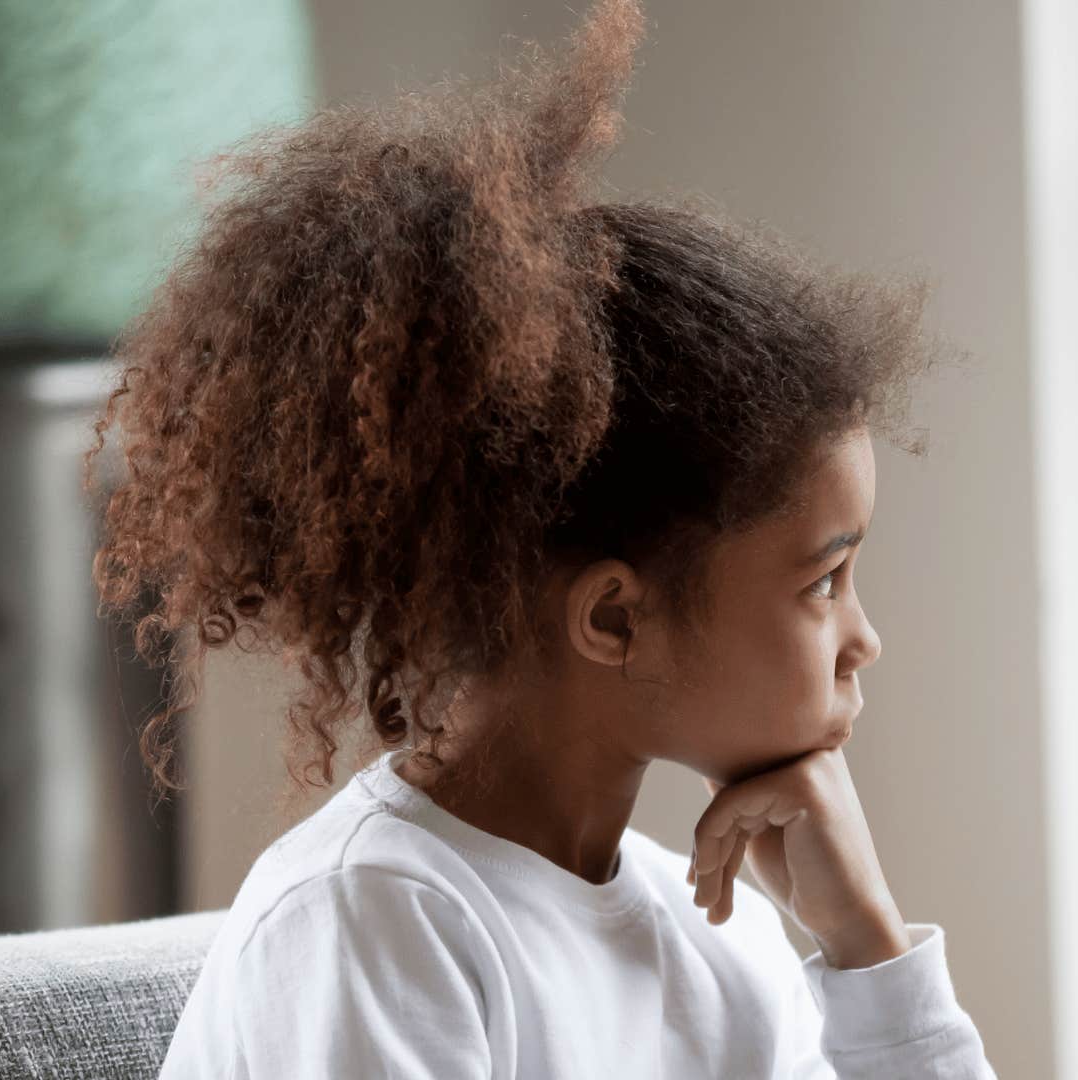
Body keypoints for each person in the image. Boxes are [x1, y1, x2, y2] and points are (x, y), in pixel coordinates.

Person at [86, 0, 996, 1075]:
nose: (862, 639)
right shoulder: (375, 923)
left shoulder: (726, 943)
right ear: (615, 616)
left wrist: (867, 951)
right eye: (825, 580)